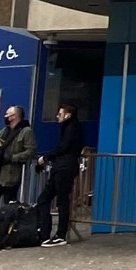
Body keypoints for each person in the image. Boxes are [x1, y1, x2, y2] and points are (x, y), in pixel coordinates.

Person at [0, 105, 36, 245]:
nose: (6, 117)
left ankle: (6, 232)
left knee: (9, 205)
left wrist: (13, 158)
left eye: (8, 114)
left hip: (10, 174)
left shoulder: (26, 132)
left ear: (15, 116)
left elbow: (30, 151)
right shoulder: (4, 131)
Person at [35, 104, 84, 246]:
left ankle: (60, 234)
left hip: (65, 168)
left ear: (68, 115)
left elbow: (64, 147)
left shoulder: (72, 128)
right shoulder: (69, 128)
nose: (57, 116)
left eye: (60, 114)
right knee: (45, 199)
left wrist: (46, 157)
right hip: (61, 167)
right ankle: (45, 232)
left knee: (61, 201)